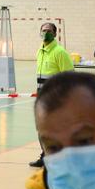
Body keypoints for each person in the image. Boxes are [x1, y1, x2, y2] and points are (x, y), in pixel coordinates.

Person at [29, 22, 74, 168]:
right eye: (43, 30)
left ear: (55, 34)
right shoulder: (39, 52)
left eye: (49, 31)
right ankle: (46, 156)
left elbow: (69, 77)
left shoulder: (60, 52)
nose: (46, 33)